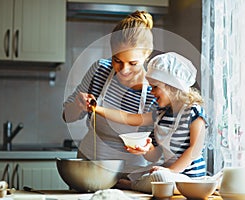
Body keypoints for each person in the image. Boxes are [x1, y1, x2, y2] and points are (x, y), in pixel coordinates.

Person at [62, 10, 158, 185]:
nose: (124, 70)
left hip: (131, 175)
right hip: (90, 166)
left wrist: (147, 149)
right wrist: (78, 105)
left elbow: (155, 154)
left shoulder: (155, 91)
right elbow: (67, 116)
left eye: (133, 63)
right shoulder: (99, 70)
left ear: (146, 55)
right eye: (117, 60)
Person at [92, 52, 208, 193]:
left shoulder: (193, 112)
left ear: (172, 86)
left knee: (159, 177)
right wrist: (146, 149)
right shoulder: (160, 114)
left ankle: (133, 185)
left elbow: (194, 150)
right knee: (147, 174)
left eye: (155, 87)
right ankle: (142, 183)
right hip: (167, 174)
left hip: (191, 179)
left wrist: (170, 171)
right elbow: (130, 119)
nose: (151, 92)